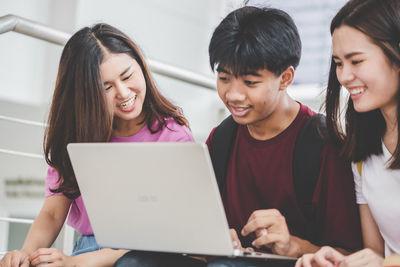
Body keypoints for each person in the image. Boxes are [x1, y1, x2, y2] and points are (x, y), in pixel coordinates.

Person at [0, 23, 196, 267]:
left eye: (127, 76)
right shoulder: (78, 138)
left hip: (146, 254)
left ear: (142, 68)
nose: (124, 93)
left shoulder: (174, 137)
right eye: (106, 87)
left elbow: (171, 231)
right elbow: (52, 213)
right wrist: (25, 255)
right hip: (87, 249)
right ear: (86, 94)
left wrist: (77, 263)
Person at [205, 5, 362, 267]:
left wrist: (292, 246)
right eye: (224, 78)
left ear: (285, 78)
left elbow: (352, 256)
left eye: (250, 82)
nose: (233, 94)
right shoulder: (221, 139)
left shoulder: (325, 144)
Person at [295, 0, 400, 266]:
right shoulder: (363, 152)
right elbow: (374, 253)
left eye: (356, 61)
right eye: (339, 63)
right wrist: (337, 261)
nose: (343, 76)